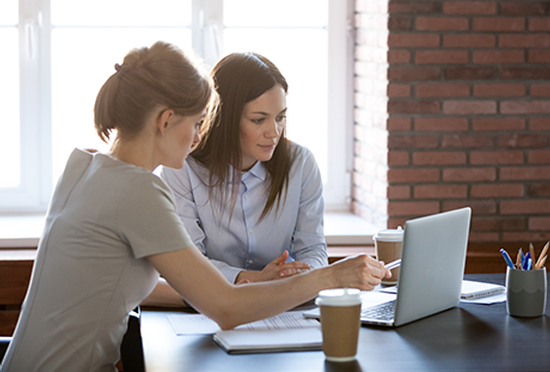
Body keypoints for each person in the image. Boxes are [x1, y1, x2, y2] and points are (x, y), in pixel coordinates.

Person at [0, 41, 390, 372]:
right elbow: (226, 309)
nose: (200, 137)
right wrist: (330, 278)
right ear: (167, 121)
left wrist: (253, 283)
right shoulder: (139, 191)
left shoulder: (86, 166)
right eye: (199, 122)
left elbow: (109, 286)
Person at [160, 52, 327, 285]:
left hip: (283, 301)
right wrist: (252, 279)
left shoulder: (300, 163)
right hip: (206, 305)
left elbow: (314, 248)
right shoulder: (182, 167)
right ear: (225, 118)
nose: (274, 132)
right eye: (259, 120)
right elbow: (188, 261)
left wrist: (301, 274)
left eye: (280, 117)